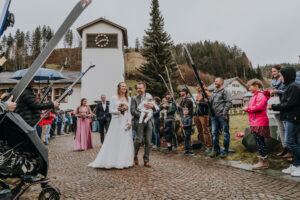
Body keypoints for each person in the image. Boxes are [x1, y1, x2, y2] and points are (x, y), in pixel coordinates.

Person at [88, 82, 134, 169]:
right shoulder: (114, 97)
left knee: (125, 140)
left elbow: (130, 112)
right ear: (119, 88)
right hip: (116, 121)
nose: (124, 87)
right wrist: (120, 110)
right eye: (122, 86)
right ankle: (112, 160)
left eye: (125, 86)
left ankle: (124, 161)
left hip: (125, 121)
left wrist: (129, 122)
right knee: (115, 140)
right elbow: (111, 110)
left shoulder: (129, 99)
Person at [270, 67, 300, 177]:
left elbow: (289, 104)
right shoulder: (290, 86)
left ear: (287, 75)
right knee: (294, 141)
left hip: (294, 118)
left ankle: (298, 165)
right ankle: (296, 165)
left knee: (290, 142)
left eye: (282, 75)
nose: (280, 78)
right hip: (290, 117)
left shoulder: (293, 87)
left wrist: (273, 106)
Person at [243, 79, 270, 170]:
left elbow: (259, 107)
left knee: (260, 142)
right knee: (258, 142)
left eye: (250, 86)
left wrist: (247, 108)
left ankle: (263, 162)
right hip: (255, 121)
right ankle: (262, 160)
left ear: (257, 86)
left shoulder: (261, 95)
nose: (249, 88)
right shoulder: (254, 96)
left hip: (260, 122)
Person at [131, 82, 158, 167]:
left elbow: (154, 107)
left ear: (144, 88)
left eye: (140, 88)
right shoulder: (134, 98)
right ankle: (134, 156)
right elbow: (133, 111)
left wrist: (152, 107)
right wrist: (142, 115)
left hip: (149, 121)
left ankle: (146, 160)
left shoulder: (149, 97)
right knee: (138, 140)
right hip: (139, 121)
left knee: (148, 141)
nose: (139, 90)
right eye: (138, 88)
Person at [209, 77, 232, 159]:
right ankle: (216, 150)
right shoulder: (214, 92)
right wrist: (206, 100)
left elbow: (229, 102)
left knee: (225, 133)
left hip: (222, 115)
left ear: (221, 82)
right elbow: (210, 102)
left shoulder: (225, 91)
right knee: (214, 133)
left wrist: (224, 113)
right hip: (214, 116)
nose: (215, 82)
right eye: (214, 81)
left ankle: (225, 151)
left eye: (217, 81)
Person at [269, 65, 288, 157]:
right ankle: (284, 147)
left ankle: (289, 148)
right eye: (272, 72)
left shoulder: (284, 80)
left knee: (286, 126)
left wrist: (277, 92)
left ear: (279, 71)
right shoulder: (272, 82)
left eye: (275, 71)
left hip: (283, 104)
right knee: (280, 127)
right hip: (275, 104)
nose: (273, 73)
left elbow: (286, 91)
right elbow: (273, 92)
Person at [194, 84, 212, 156]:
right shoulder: (198, 95)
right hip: (197, 114)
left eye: (198, 86)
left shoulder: (206, 93)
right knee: (200, 131)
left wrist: (200, 103)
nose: (197, 88)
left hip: (204, 114)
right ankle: (203, 145)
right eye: (197, 86)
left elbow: (208, 104)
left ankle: (209, 146)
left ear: (203, 86)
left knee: (206, 131)